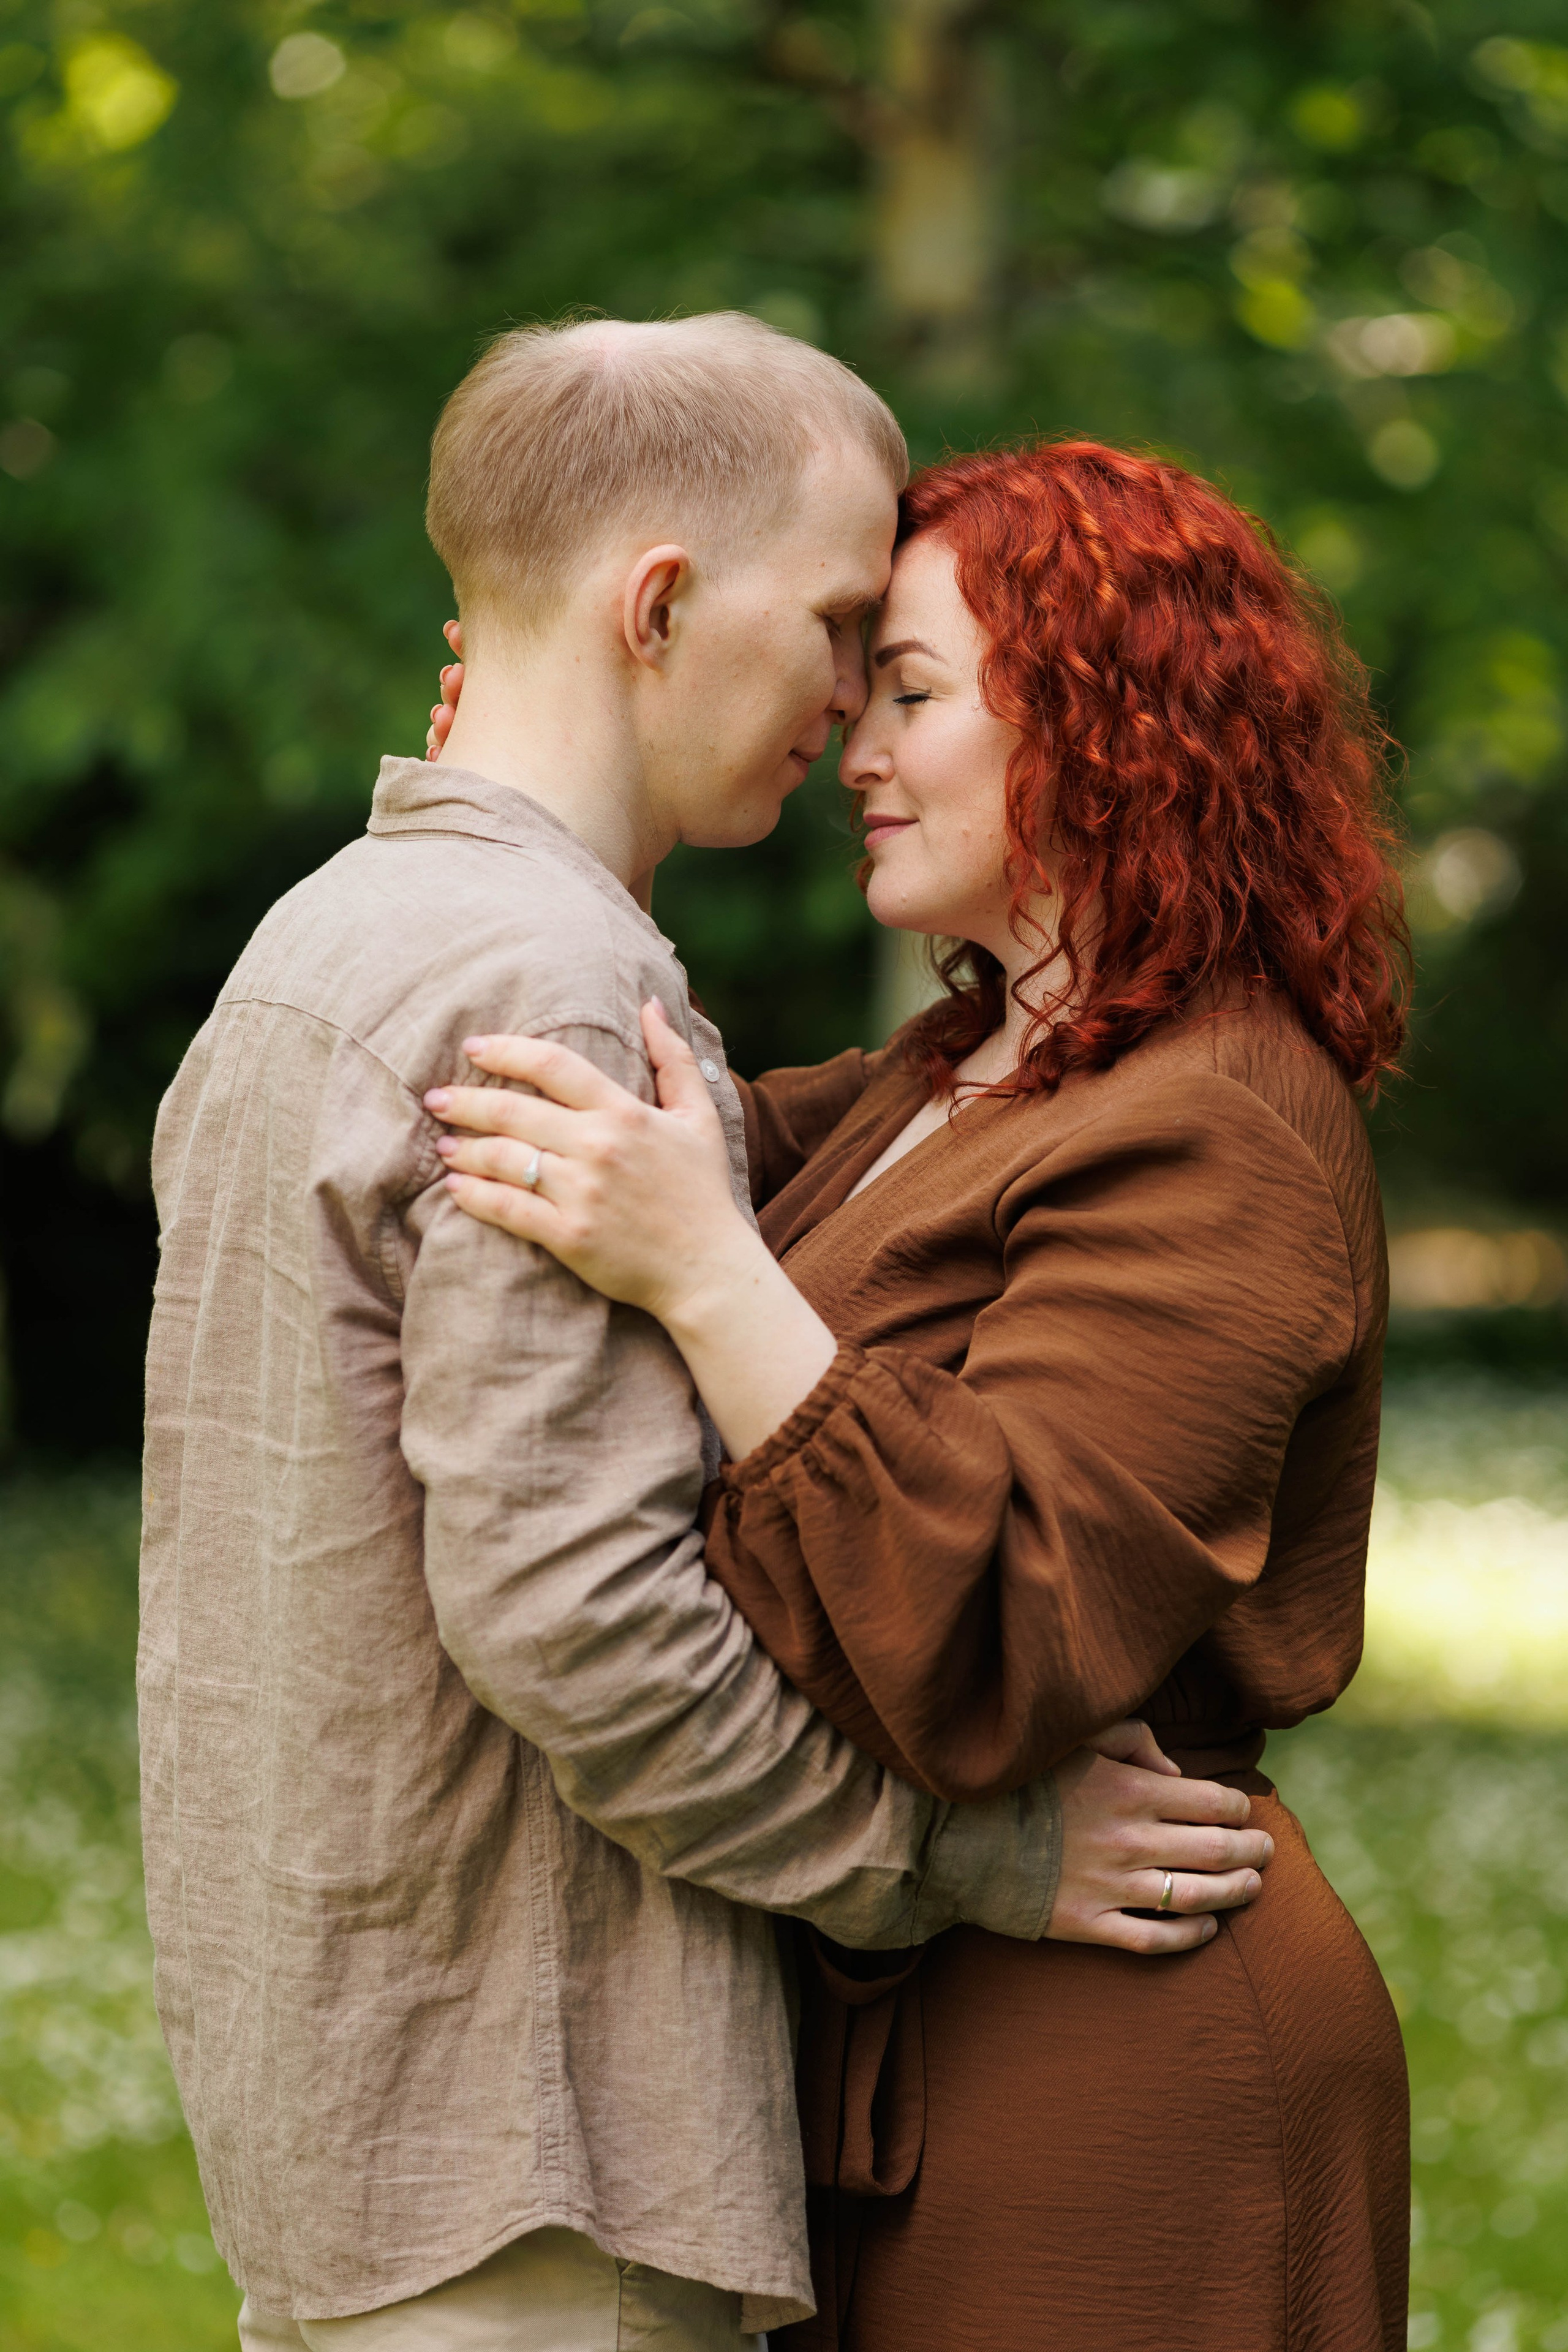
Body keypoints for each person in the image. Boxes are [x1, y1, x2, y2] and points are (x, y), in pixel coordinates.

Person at [140, 324, 1270, 2352]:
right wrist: (974, 1855)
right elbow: (588, 1619)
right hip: (537, 2133)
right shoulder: (543, 982)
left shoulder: (323, 938)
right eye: (846, 628)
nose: (847, 706)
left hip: (361, 2105)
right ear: (659, 603)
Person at [426, 439, 1414, 2352]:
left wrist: (708, 1270)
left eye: (913, 692)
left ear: (1115, 724)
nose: (853, 751)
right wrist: (543, 788)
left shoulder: (1221, 1119)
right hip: (928, 2011)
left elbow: (1024, 1619)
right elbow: (628, 1107)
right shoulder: (962, 1068)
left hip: (1121, 2046)